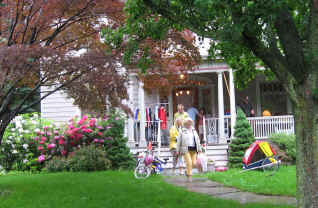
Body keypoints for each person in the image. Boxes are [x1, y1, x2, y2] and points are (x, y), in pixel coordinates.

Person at [176, 118, 203, 182]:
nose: (189, 124)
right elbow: (179, 141)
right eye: (188, 122)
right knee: (189, 162)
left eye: (190, 122)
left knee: (194, 163)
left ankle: (187, 171)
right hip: (186, 149)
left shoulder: (194, 130)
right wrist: (177, 150)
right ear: (185, 123)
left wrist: (199, 149)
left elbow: (197, 140)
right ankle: (190, 176)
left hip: (194, 149)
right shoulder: (182, 130)